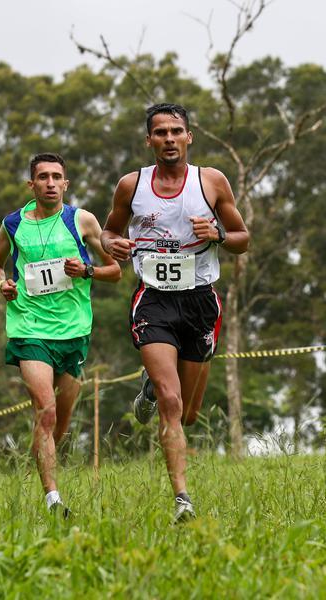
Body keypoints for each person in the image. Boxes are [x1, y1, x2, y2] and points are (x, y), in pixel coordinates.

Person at [101, 103, 249, 523]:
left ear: (189, 136)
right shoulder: (131, 185)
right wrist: (112, 244)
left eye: (176, 131)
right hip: (153, 300)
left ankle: (149, 389)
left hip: (200, 299)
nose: (169, 138)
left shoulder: (212, 181)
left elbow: (242, 238)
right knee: (171, 402)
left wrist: (218, 233)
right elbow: (111, 231)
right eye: (160, 132)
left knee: (188, 412)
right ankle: (182, 498)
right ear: (148, 140)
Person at [0, 152, 121, 515]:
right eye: (42, 177)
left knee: (59, 421)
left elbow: (115, 271)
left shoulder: (82, 220)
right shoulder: (13, 223)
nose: (50, 183)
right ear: (31, 184)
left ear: (66, 183)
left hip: (73, 329)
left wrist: (87, 270)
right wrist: (3, 284)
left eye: (56, 176)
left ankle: (43, 467)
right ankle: (53, 499)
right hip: (28, 326)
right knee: (44, 411)